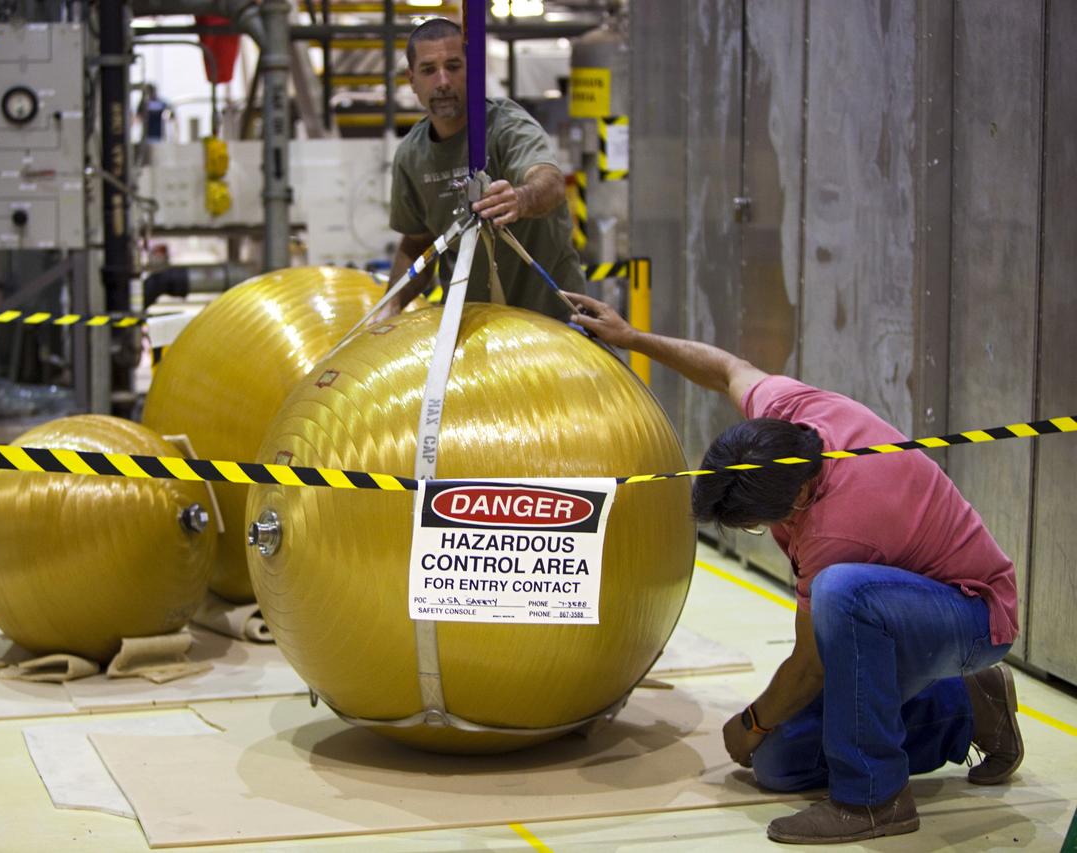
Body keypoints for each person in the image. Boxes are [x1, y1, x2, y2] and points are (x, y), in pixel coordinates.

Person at [566, 291, 1024, 845]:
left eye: (758, 525)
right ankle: (968, 707)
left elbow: (811, 666)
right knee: (780, 764)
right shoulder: (788, 416)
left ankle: (875, 801)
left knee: (841, 595)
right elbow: (726, 369)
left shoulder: (839, 528)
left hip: (972, 615)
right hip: (905, 607)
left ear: (800, 498)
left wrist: (751, 723)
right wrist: (634, 338)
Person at [380, 17, 584, 324]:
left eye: (453, 66)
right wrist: (390, 305)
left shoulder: (507, 126)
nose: (443, 81)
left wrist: (521, 199)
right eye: (428, 70)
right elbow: (417, 242)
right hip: (472, 331)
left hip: (548, 326)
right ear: (412, 79)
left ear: (472, 69)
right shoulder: (411, 155)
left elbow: (550, 183)